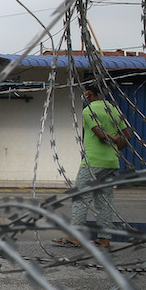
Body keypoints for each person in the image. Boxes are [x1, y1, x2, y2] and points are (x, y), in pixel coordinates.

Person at [53, 83, 131, 250]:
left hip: (93, 162)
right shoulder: (113, 109)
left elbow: (100, 134)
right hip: (112, 162)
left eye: (84, 92)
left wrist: (112, 139)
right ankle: (104, 239)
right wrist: (115, 148)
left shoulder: (88, 111)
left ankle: (75, 236)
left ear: (88, 93)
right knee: (105, 200)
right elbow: (127, 136)